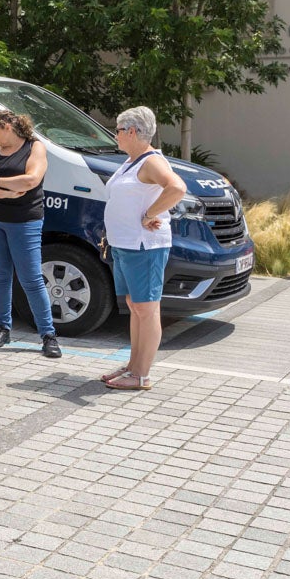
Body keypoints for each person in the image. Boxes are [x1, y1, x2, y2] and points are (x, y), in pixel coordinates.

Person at [102, 107, 185, 391]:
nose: (116, 136)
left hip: (144, 246)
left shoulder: (151, 161)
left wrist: (150, 214)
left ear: (132, 131)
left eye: (117, 130)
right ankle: (133, 366)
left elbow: (177, 188)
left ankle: (141, 374)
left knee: (147, 309)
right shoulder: (132, 162)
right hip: (124, 245)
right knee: (135, 307)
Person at [0, 110, 61, 357]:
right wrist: (5, 191)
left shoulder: (35, 147)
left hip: (24, 221)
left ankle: (48, 335)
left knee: (31, 278)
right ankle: (3, 327)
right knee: (0, 276)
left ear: (7, 127)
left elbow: (30, 181)